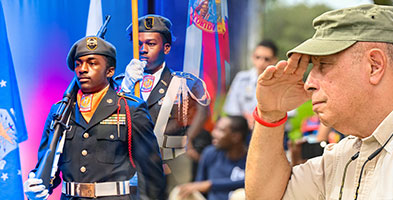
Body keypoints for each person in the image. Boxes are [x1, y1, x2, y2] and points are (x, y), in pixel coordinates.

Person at [244, 4, 393, 199]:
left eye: (323, 65)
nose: (308, 84)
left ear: (374, 66)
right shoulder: (347, 153)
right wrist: (270, 115)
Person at [23, 36, 165, 199]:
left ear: (110, 71)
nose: (82, 69)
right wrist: (36, 184)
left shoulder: (129, 108)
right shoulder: (61, 111)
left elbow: (151, 174)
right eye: (78, 64)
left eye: (92, 63)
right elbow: (48, 164)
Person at [117, 14, 210, 195]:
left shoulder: (186, 84)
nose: (143, 49)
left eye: (151, 44)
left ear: (166, 48)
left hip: (172, 163)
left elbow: (202, 112)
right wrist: (126, 88)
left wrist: (190, 139)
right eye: (139, 44)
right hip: (131, 165)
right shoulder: (121, 84)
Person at [175, 116, 249, 200]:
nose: (213, 133)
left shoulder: (250, 161)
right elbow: (199, 186)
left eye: (221, 130)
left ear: (236, 137)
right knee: (180, 193)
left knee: (240, 195)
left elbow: (249, 183)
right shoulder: (210, 153)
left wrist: (210, 185)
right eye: (215, 128)